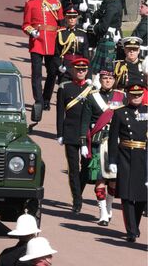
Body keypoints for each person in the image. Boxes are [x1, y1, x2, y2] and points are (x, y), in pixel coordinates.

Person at [79, 65, 124, 224]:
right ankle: (103, 212)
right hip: (98, 140)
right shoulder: (92, 97)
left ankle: (110, 206)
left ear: (114, 80)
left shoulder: (121, 97)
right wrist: (83, 143)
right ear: (101, 80)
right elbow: (84, 123)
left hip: (116, 142)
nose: (108, 81)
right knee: (100, 178)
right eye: (105, 78)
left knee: (114, 179)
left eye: (111, 78)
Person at [22, 0, 63, 121]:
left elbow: (61, 24)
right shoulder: (30, 4)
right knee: (36, 74)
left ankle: (46, 98)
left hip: (52, 41)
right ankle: (38, 101)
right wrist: (32, 32)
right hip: (37, 43)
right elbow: (25, 24)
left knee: (52, 72)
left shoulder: (56, 3)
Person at [108, 81, 147, 242]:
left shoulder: (147, 111)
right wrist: (112, 160)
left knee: (142, 197)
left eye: (139, 95)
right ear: (128, 96)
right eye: (133, 95)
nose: (136, 98)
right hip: (125, 155)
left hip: (144, 156)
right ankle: (131, 230)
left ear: (143, 95)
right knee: (127, 194)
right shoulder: (120, 113)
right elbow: (113, 138)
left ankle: (134, 225)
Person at [56, 57, 93, 213]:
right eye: (78, 69)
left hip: (87, 134)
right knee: (73, 169)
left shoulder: (92, 89)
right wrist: (60, 133)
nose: (81, 72)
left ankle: (79, 192)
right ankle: (77, 201)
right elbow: (59, 113)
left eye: (83, 70)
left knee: (85, 168)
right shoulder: (65, 87)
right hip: (70, 132)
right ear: (73, 70)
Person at [86, 0, 125, 75]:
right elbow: (101, 13)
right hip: (107, 38)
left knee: (103, 71)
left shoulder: (113, 6)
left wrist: (91, 28)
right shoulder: (111, 3)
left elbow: (104, 26)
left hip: (107, 39)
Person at [55, 7, 89, 80]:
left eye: (74, 17)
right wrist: (59, 66)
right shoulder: (61, 33)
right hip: (65, 65)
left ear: (77, 18)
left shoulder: (82, 34)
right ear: (66, 18)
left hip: (79, 66)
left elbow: (86, 54)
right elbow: (57, 53)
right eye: (69, 17)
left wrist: (88, 76)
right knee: (63, 87)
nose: (72, 19)